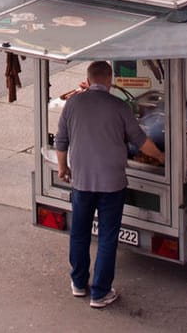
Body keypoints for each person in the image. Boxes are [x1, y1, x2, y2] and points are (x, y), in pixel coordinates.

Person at [56, 60, 164, 309]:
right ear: (109, 79)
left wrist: (63, 168)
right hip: (111, 183)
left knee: (80, 233)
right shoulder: (119, 106)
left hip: (81, 181)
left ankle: (79, 284)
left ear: (88, 78)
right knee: (107, 237)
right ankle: (100, 293)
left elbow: (61, 140)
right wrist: (160, 157)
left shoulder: (73, 103)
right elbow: (139, 139)